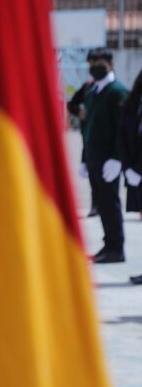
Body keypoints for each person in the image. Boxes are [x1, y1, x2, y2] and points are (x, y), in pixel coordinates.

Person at [82, 48, 130, 263]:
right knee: (101, 203)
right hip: (94, 157)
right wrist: (84, 157)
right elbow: (89, 127)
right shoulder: (93, 92)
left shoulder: (117, 91)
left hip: (109, 160)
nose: (94, 67)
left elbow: (123, 128)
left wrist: (117, 158)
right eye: (91, 63)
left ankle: (116, 248)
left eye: (98, 62)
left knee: (110, 202)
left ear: (110, 63)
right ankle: (108, 244)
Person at [68, 51, 100, 217]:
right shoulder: (88, 87)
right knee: (92, 172)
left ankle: (104, 205)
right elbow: (71, 104)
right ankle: (96, 205)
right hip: (88, 136)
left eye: (94, 63)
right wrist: (79, 111)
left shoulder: (112, 86)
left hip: (105, 138)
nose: (91, 68)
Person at [119, 70, 142, 283]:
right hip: (135, 173)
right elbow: (123, 137)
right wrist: (128, 168)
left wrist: (138, 169)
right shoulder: (132, 105)